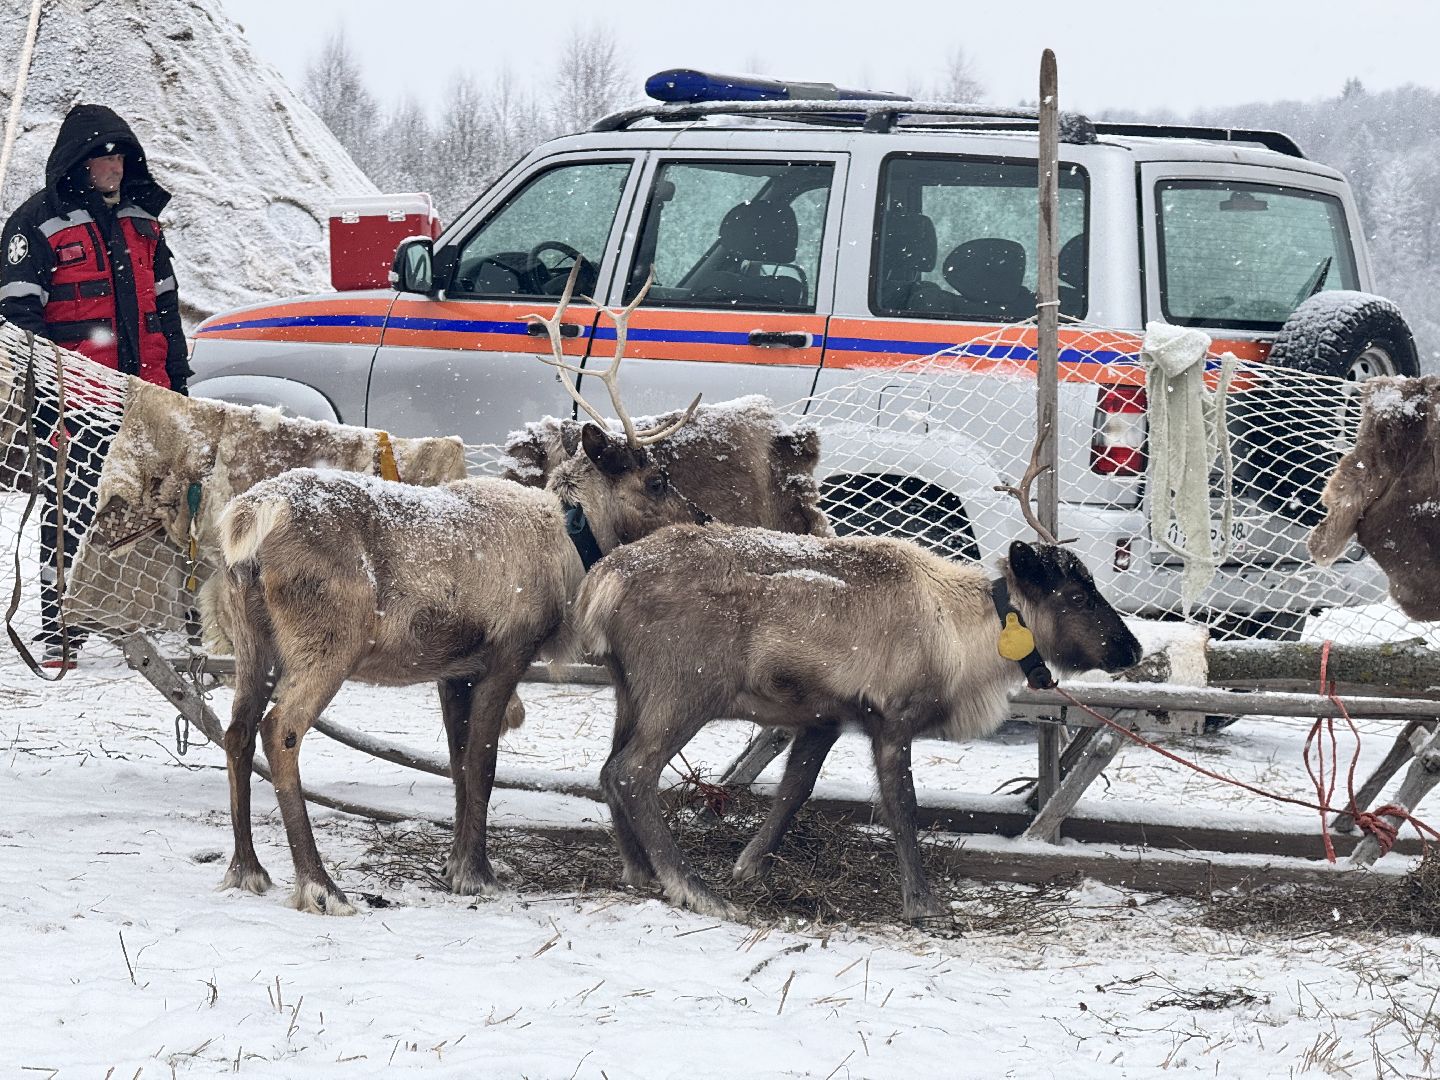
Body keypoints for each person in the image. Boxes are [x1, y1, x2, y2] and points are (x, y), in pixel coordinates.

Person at [1, 104, 192, 669]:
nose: (113, 165)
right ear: (78, 163)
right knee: (72, 505)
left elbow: (166, 308)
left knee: (159, 506)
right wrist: (44, 393)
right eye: (102, 156)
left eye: (119, 155)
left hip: (149, 395)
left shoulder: (144, 222)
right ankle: (60, 630)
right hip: (74, 396)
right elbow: (17, 319)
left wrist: (178, 380)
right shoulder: (35, 224)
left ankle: (141, 616)